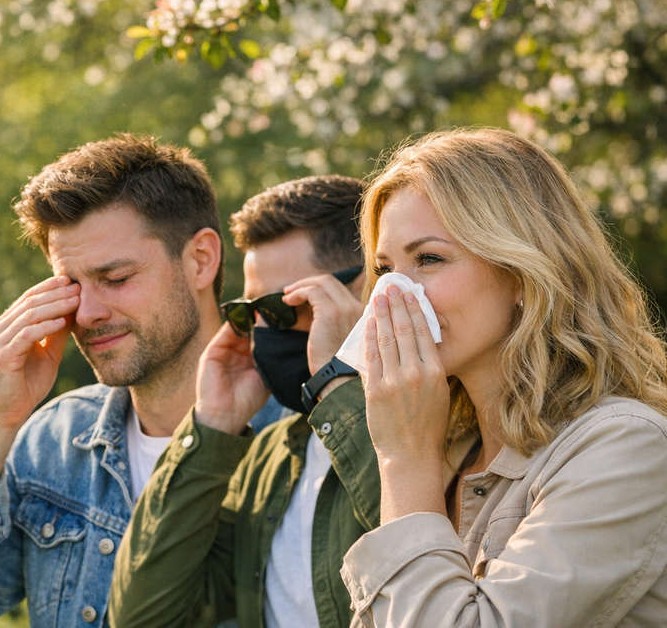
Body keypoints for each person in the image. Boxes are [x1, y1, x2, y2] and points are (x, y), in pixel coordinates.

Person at [0, 134, 236, 628]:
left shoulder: (299, 436)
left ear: (201, 260)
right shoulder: (54, 446)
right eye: (71, 285)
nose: (89, 312)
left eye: (117, 278)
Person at [340, 128, 667, 627]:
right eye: (385, 269)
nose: (394, 294)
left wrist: (405, 460)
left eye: (428, 259)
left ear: (520, 271)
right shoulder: (451, 451)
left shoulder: (624, 446)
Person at [111, 175, 377, 628]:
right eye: (250, 312)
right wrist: (212, 425)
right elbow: (143, 617)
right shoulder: (267, 463)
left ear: (362, 291)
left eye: (283, 305)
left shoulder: (436, 429)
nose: (263, 330)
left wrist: (338, 384)